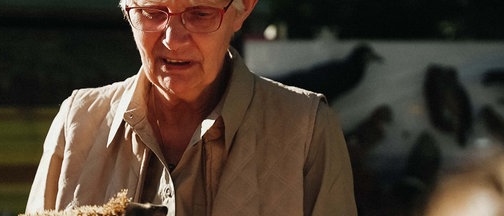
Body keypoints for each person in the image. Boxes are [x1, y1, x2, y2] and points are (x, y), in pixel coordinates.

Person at [25, 0, 357, 215]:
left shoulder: (306, 127)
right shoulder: (78, 121)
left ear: (242, 9)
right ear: (127, 9)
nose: (173, 39)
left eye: (200, 14)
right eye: (152, 13)